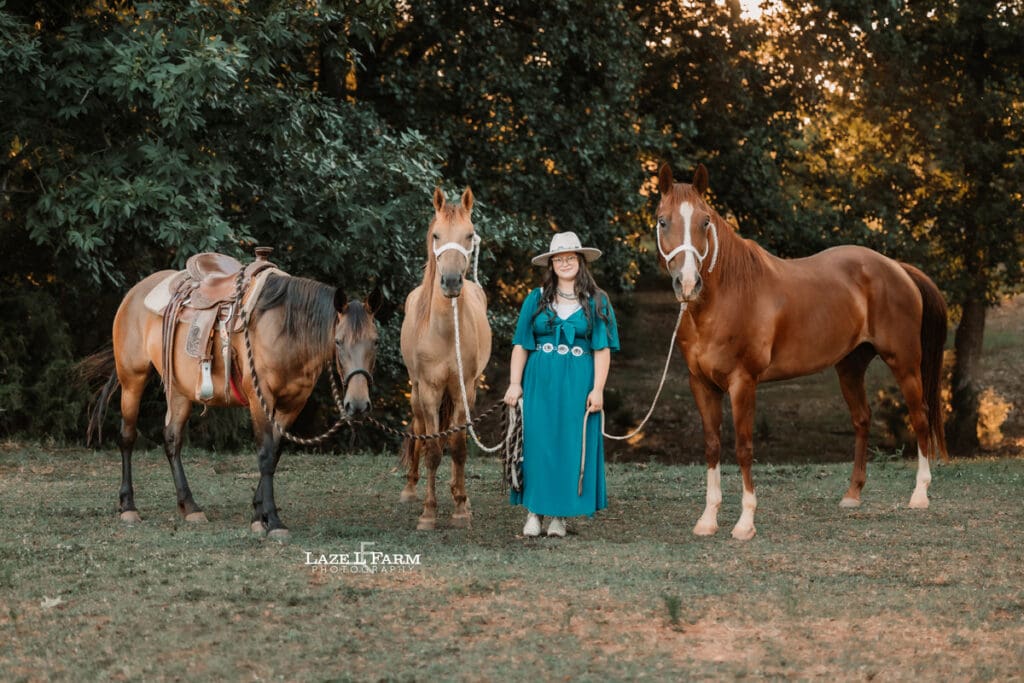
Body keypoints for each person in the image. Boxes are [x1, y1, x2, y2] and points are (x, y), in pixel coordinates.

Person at [503, 231, 620, 537]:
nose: (565, 263)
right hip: (540, 380)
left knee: (570, 444)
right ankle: (534, 511)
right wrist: (515, 383)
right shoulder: (535, 298)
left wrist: (598, 389)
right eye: (559, 259)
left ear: (580, 262)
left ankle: (560, 516)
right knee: (538, 443)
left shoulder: (598, 301)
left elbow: (602, 350)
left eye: (570, 258)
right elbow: (521, 345)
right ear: (551, 264)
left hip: (578, 382)